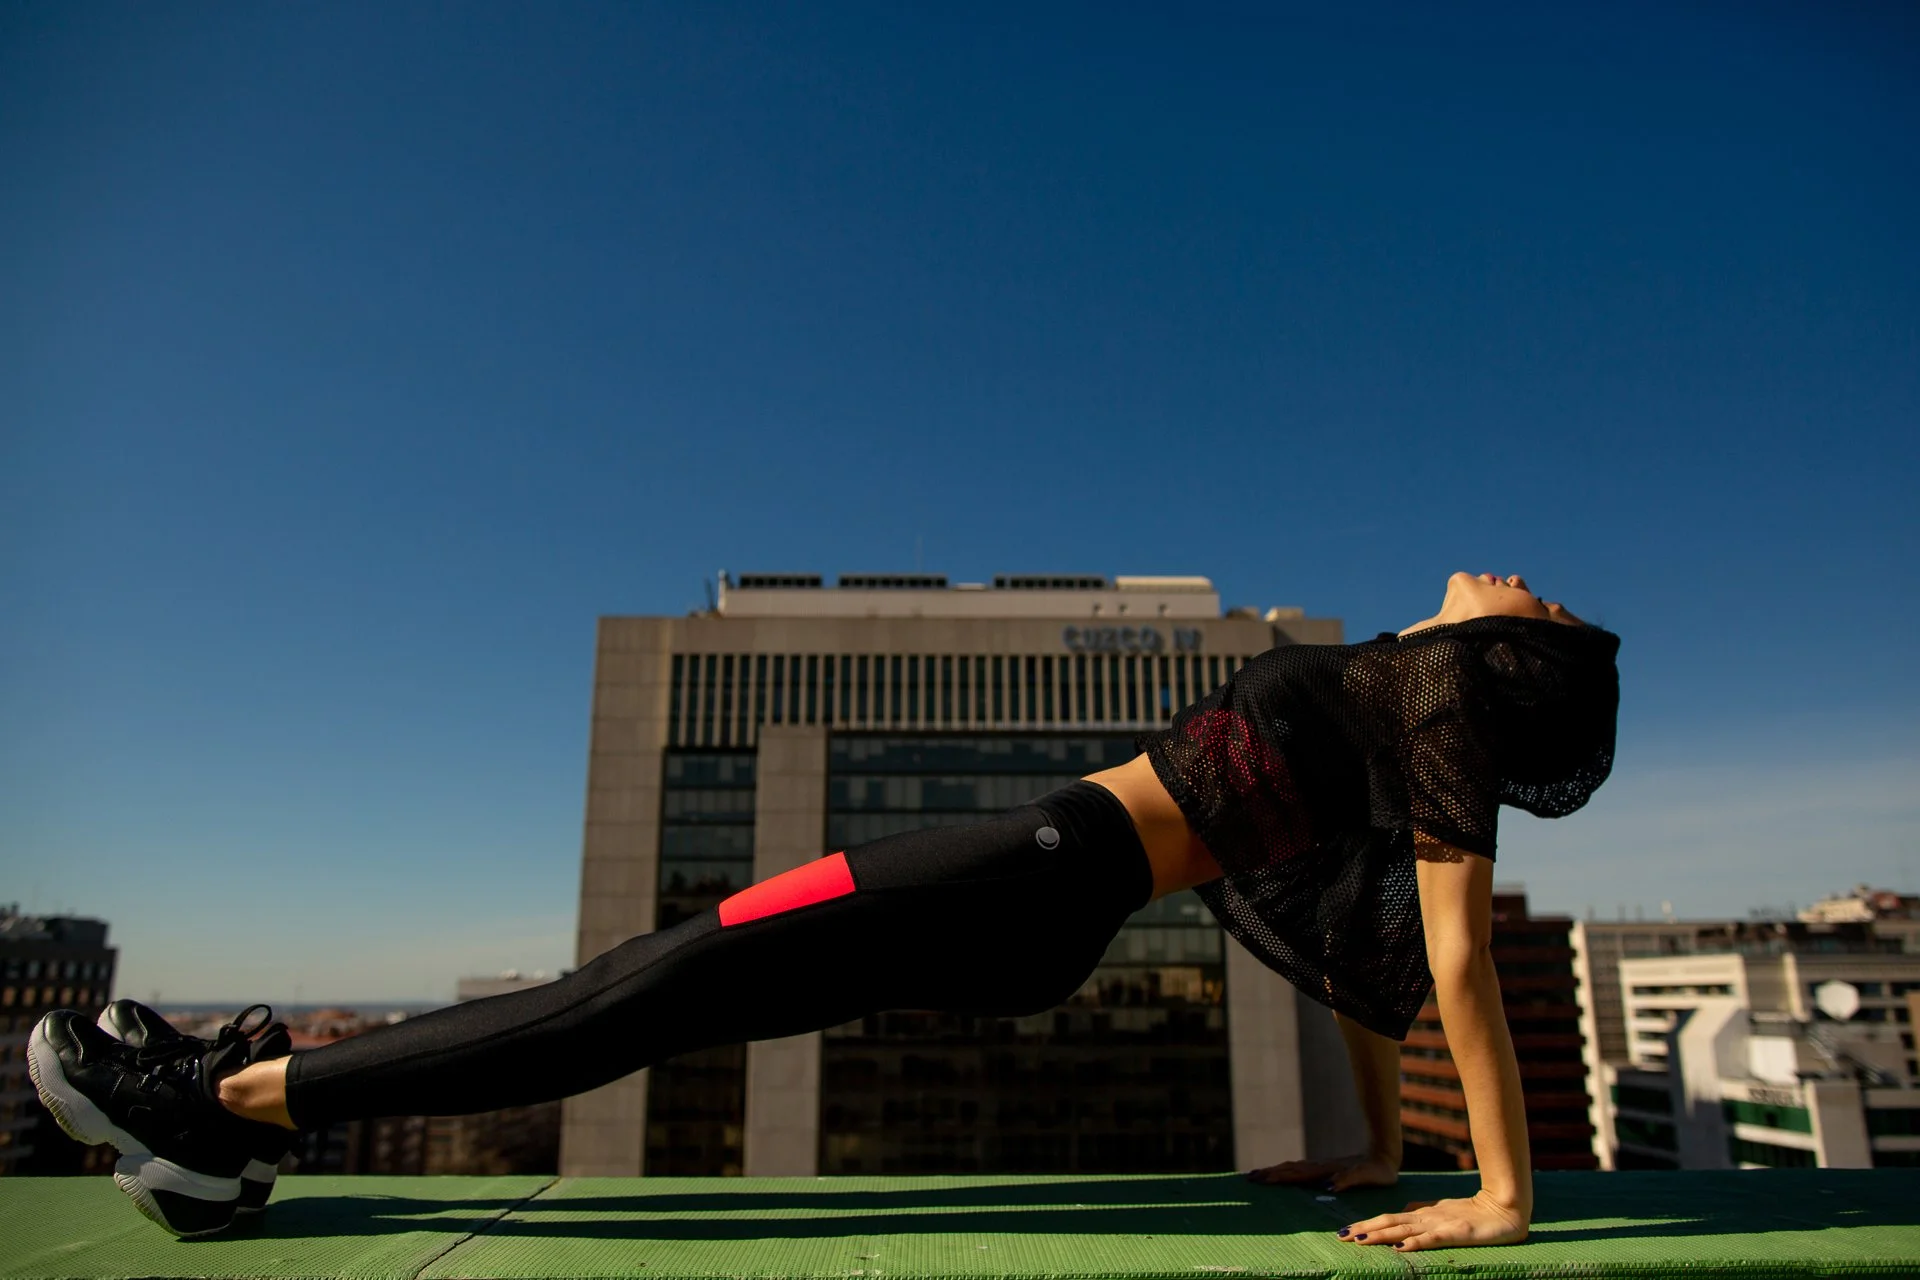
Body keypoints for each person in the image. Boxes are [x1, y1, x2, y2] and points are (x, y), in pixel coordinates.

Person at [31, 571, 1619, 1253]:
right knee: (654, 993)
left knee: (640, 985)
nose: (1523, 577)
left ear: (1515, 663)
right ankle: (233, 1141)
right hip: (1038, 887)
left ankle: (224, 1107)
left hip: (1039, 865)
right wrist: (1379, 1153)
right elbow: (1364, 947)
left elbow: (1455, 955)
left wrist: (1501, 1196)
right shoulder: (1387, 706)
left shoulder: (1433, 694)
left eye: (1546, 606)